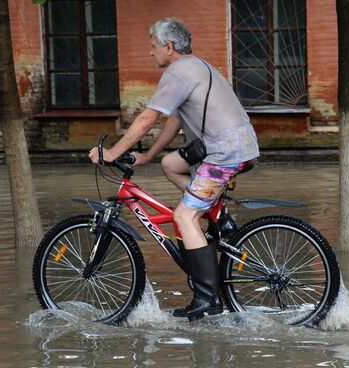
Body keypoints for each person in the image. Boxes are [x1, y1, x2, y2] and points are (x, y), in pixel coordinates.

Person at [88, 18, 259, 319]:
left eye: (153, 47)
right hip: (238, 145)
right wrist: (149, 156)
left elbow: (147, 119)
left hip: (223, 152)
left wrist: (114, 151)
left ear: (169, 47)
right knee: (171, 164)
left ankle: (208, 301)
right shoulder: (196, 66)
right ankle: (218, 214)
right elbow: (175, 120)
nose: (149, 52)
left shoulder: (177, 73)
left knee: (184, 215)